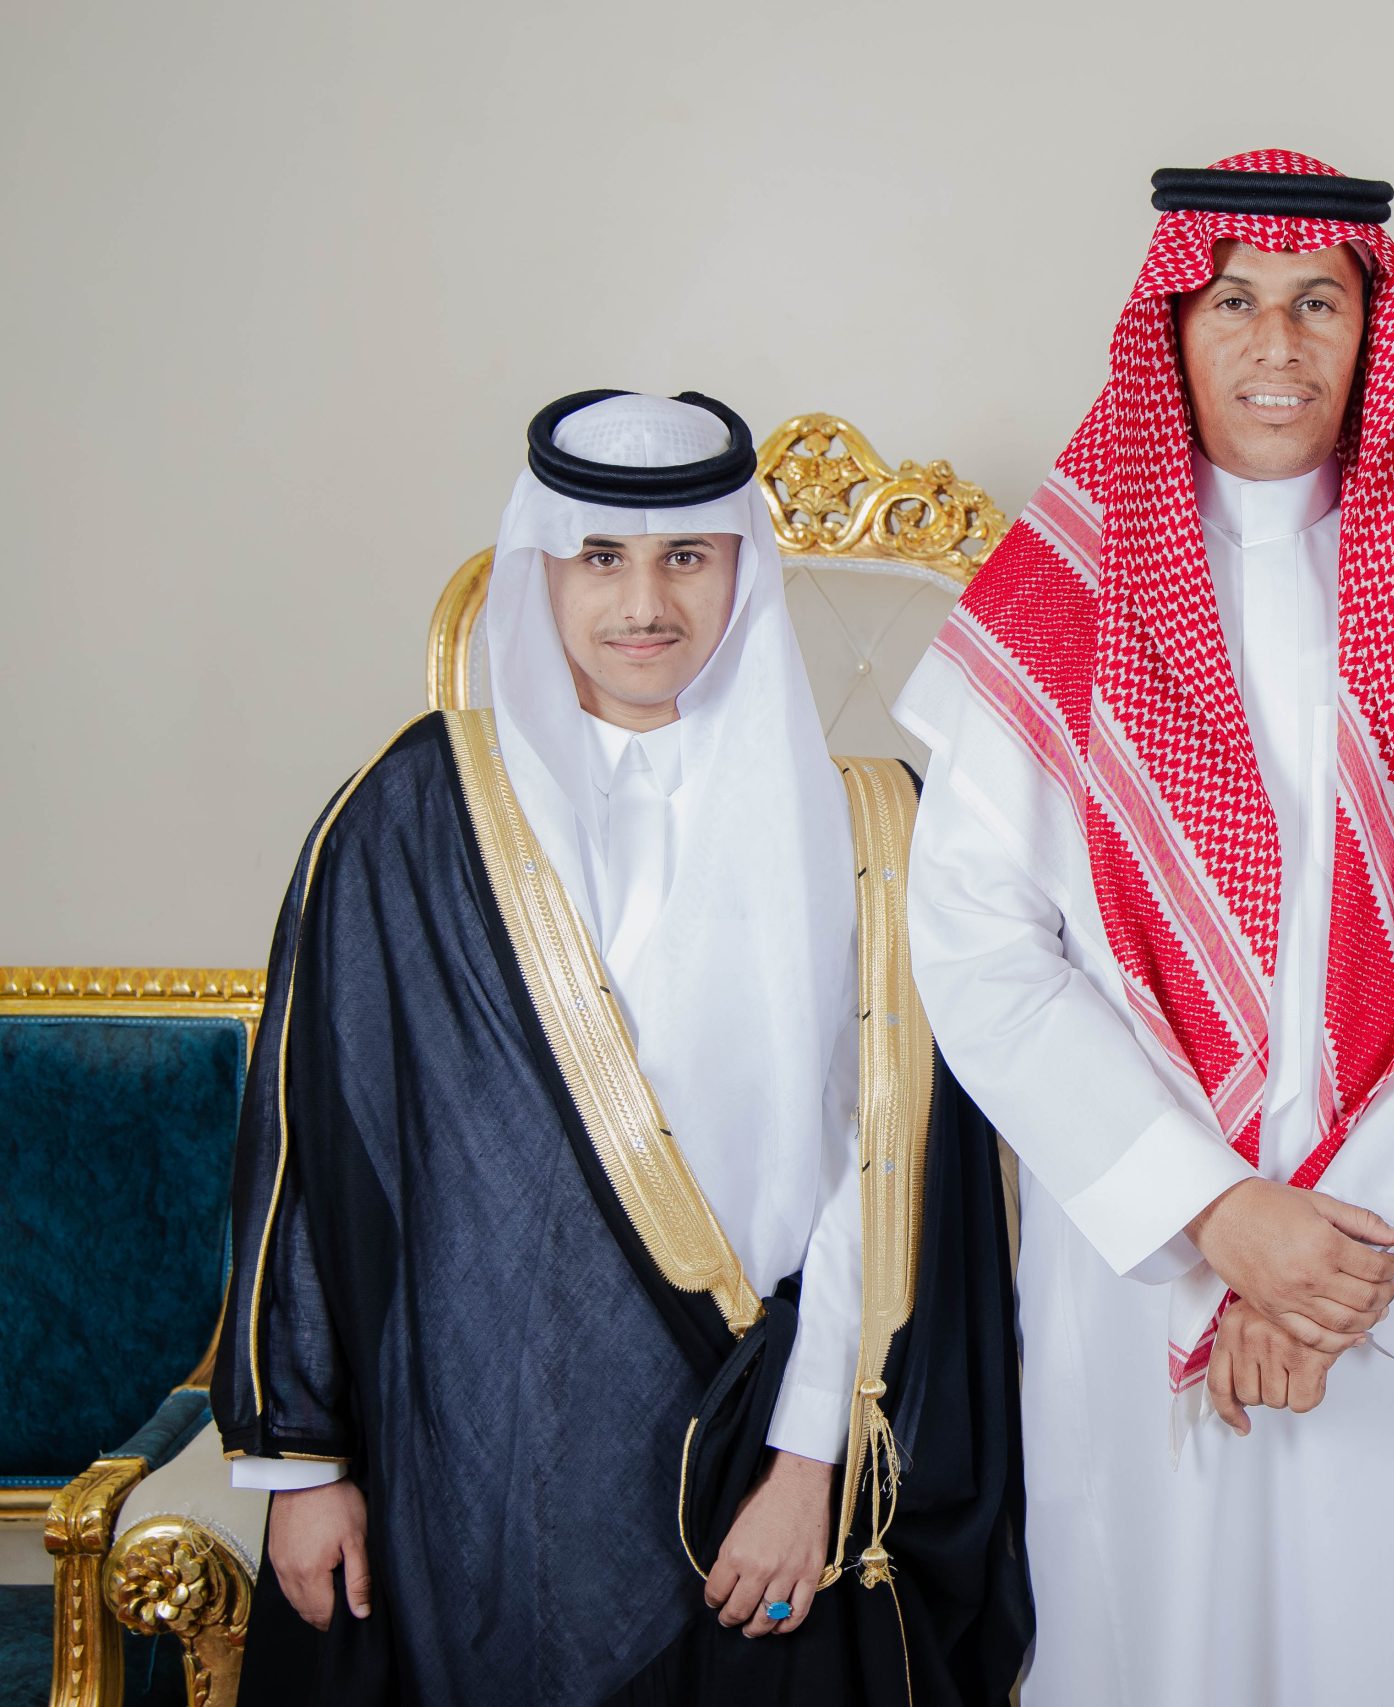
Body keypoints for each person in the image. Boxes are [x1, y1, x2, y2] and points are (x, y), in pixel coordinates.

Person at [894, 151, 1394, 1704]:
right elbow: (979, 945)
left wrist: (1336, 1251)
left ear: (1376, 331)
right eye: (1233, 302)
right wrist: (1217, 1216)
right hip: (1147, 1254)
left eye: (1318, 304)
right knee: (1162, 1636)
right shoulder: (1061, 590)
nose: (1277, 344)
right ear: (1171, 326)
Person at [212, 390, 1031, 1707]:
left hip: (754, 1445)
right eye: (600, 555)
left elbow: (875, 1176)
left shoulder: (869, 831)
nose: (644, 602)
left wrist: (807, 1463)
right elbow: (316, 1147)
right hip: (468, 1454)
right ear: (541, 566)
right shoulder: (409, 817)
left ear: (741, 570)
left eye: (685, 556)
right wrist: (303, 1466)